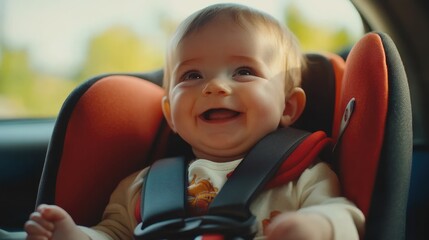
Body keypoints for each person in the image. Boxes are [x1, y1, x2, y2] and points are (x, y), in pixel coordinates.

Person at [24, 3, 365, 240]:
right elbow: (112, 234)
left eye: (244, 71)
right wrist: (75, 234)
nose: (215, 86)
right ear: (170, 113)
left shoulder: (303, 176)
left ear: (288, 106)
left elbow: (345, 216)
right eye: (192, 74)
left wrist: (317, 228)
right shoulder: (142, 186)